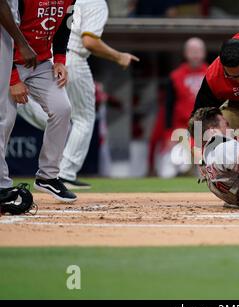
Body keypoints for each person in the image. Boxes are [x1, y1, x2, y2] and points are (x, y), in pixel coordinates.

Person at [17, 0, 139, 190]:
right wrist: (118, 56)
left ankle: (57, 170)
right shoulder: (98, 3)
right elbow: (89, 41)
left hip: (49, 55)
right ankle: (65, 172)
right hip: (71, 57)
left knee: (62, 115)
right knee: (83, 118)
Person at [0, 0, 77, 203]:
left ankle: (48, 176)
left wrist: (60, 58)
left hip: (40, 62)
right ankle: (1, 185)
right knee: (4, 121)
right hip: (9, 62)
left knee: (62, 109)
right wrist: (13, 79)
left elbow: (65, 24)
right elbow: (5, 33)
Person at [153, 37, 208, 178]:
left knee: (206, 169)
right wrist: (168, 133)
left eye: (198, 51)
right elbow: (168, 107)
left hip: (205, 127)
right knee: (171, 167)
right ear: (185, 53)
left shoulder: (212, 74)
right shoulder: (175, 76)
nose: (195, 54)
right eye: (192, 51)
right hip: (181, 128)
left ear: (204, 53)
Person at [0, 0, 36, 203]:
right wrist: (22, 43)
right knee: (2, 116)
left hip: (6, 33)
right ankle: (1, 185)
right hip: (3, 33)